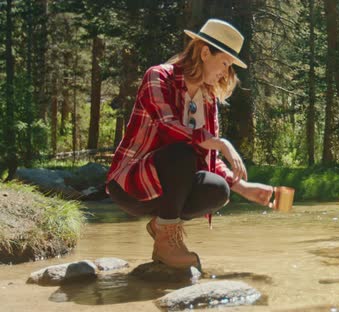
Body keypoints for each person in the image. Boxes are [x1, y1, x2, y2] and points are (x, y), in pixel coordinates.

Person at [106, 19, 273, 270]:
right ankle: (166, 240)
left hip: (167, 190)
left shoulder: (207, 99)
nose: (226, 73)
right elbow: (168, 126)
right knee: (182, 152)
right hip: (132, 184)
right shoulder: (158, 76)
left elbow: (210, 157)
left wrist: (243, 187)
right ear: (205, 52)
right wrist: (222, 143)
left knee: (218, 190)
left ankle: (163, 228)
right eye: (225, 63)